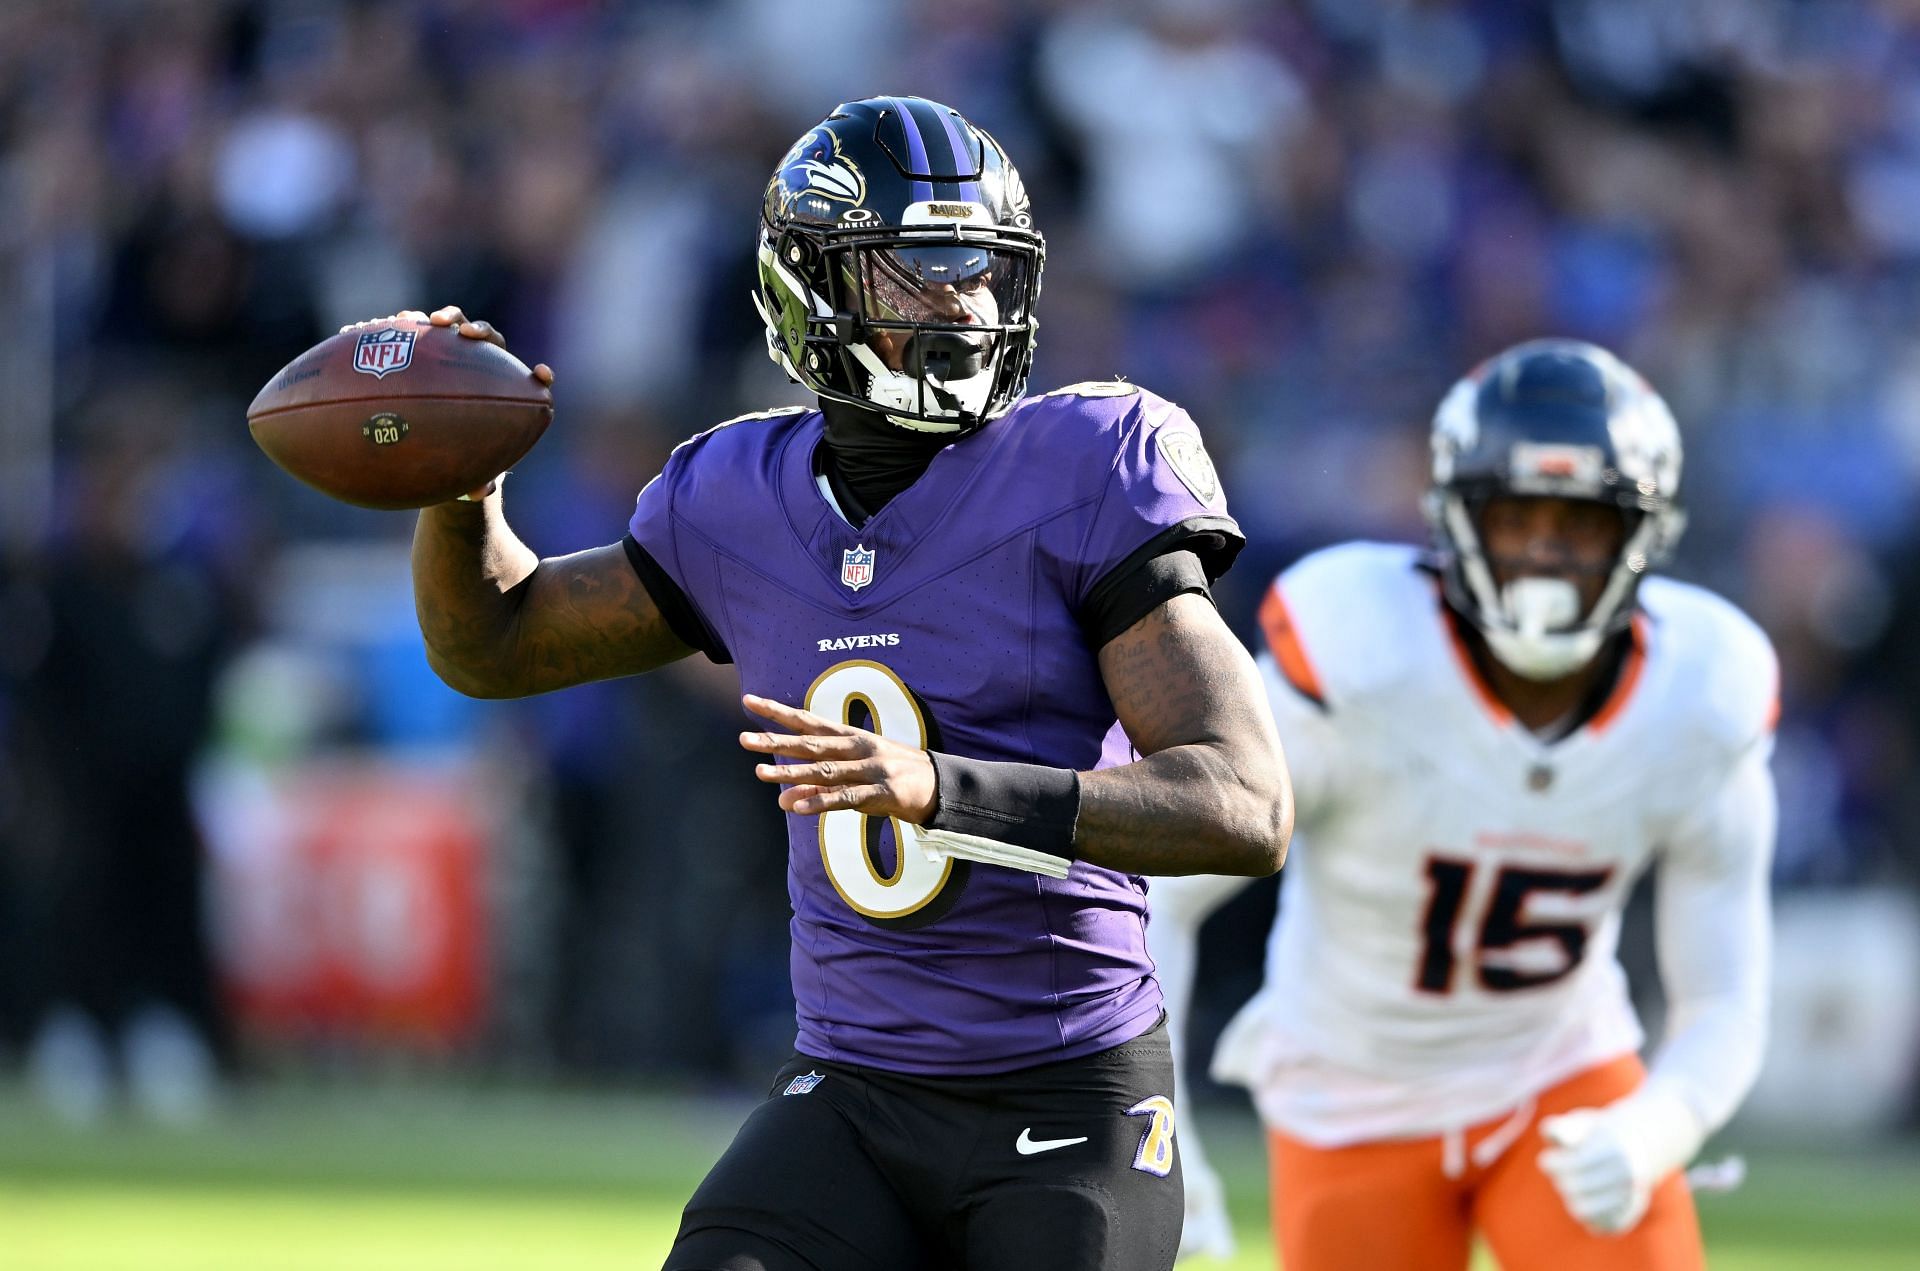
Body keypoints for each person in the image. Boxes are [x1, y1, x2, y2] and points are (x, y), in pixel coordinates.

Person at [400, 95, 1291, 1271]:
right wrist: (459, 488)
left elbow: (1242, 803)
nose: (962, 301)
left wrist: (943, 790)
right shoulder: (734, 495)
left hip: (1070, 1094)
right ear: (811, 288)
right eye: (916, 273)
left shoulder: (1087, 464)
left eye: (981, 267)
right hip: (854, 1093)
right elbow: (495, 644)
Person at [1150, 339, 1776, 1270]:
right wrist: (1162, 1122)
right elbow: (1161, 896)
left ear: (1644, 533)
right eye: (1520, 516)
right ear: (1456, 519)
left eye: (1583, 523)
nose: (1546, 555)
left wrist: (1658, 1124)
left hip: (1562, 1075)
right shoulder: (1361, 655)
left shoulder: (1702, 694)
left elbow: (1725, 994)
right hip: (1348, 1092)